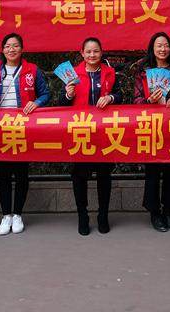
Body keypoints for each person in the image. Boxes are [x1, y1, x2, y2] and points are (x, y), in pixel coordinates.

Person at [0, 33, 49, 235]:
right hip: (0, 127)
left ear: (22, 49)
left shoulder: (32, 70)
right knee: (3, 173)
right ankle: (6, 216)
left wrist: (36, 103)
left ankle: (18, 214)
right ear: (2, 50)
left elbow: (45, 93)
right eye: (8, 46)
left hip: (22, 127)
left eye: (16, 46)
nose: (12, 49)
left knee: (21, 172)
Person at [58, 37, 123, 236]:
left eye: (96, 51)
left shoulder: (109, 73)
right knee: (80, 175)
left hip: (104, 132)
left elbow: (119, 96)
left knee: (104, 174)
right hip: (80, 131)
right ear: (82, 54)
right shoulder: (72, 74)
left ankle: (103, 215)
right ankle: (82, 216)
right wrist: (68, 95)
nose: (92, 55)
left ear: (101, 53)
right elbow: (61, 102)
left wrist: (110, 97)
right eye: (88, 51)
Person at [134, 32, 170, 232]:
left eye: (166, 45)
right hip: (151, 127)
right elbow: (136, 101)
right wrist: (148, 101)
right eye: (159, 45)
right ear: (152, 48)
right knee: (152, 171)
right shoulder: (143, 72)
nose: (163, 49)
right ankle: (154, 213)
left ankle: (168, 211)